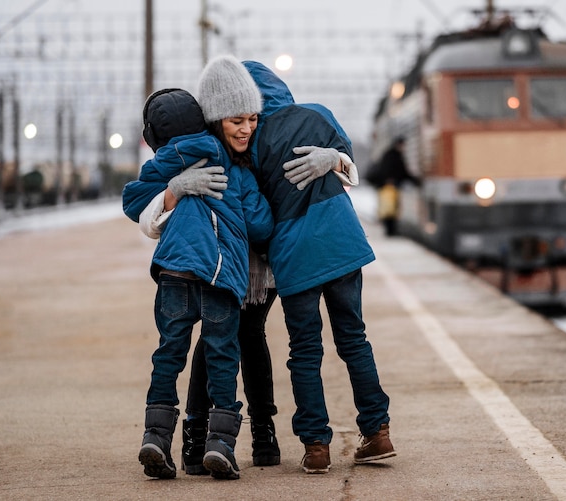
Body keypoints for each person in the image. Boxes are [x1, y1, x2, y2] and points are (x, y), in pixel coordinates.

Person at [240, 59, 396, 474]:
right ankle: (377, 432)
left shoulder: (252, 145)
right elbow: (349, 166)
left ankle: (316, 447)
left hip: (294, 254)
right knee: (354, 340)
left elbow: (258, 216)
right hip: (342, 243)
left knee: (305, 351)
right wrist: (333, 158)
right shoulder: (318, 112)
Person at [122, 83, 273, 481]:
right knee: (223, 358)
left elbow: (133, 200)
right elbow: (261, 225)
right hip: (220, 278)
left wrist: (173, 190)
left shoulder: (169, 162)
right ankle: (220, 446)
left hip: (174, 272)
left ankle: (155, 437)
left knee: (168, 354)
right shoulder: (235, 169)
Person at [375, 136, 421, 236]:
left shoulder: (389, 154)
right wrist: (414, 181)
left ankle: (390, 230)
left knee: (389, 209)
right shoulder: (395, 156)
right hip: (390, 187)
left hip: (386, 186)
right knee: (391, 209)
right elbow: (402, 171)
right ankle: (390, 231)